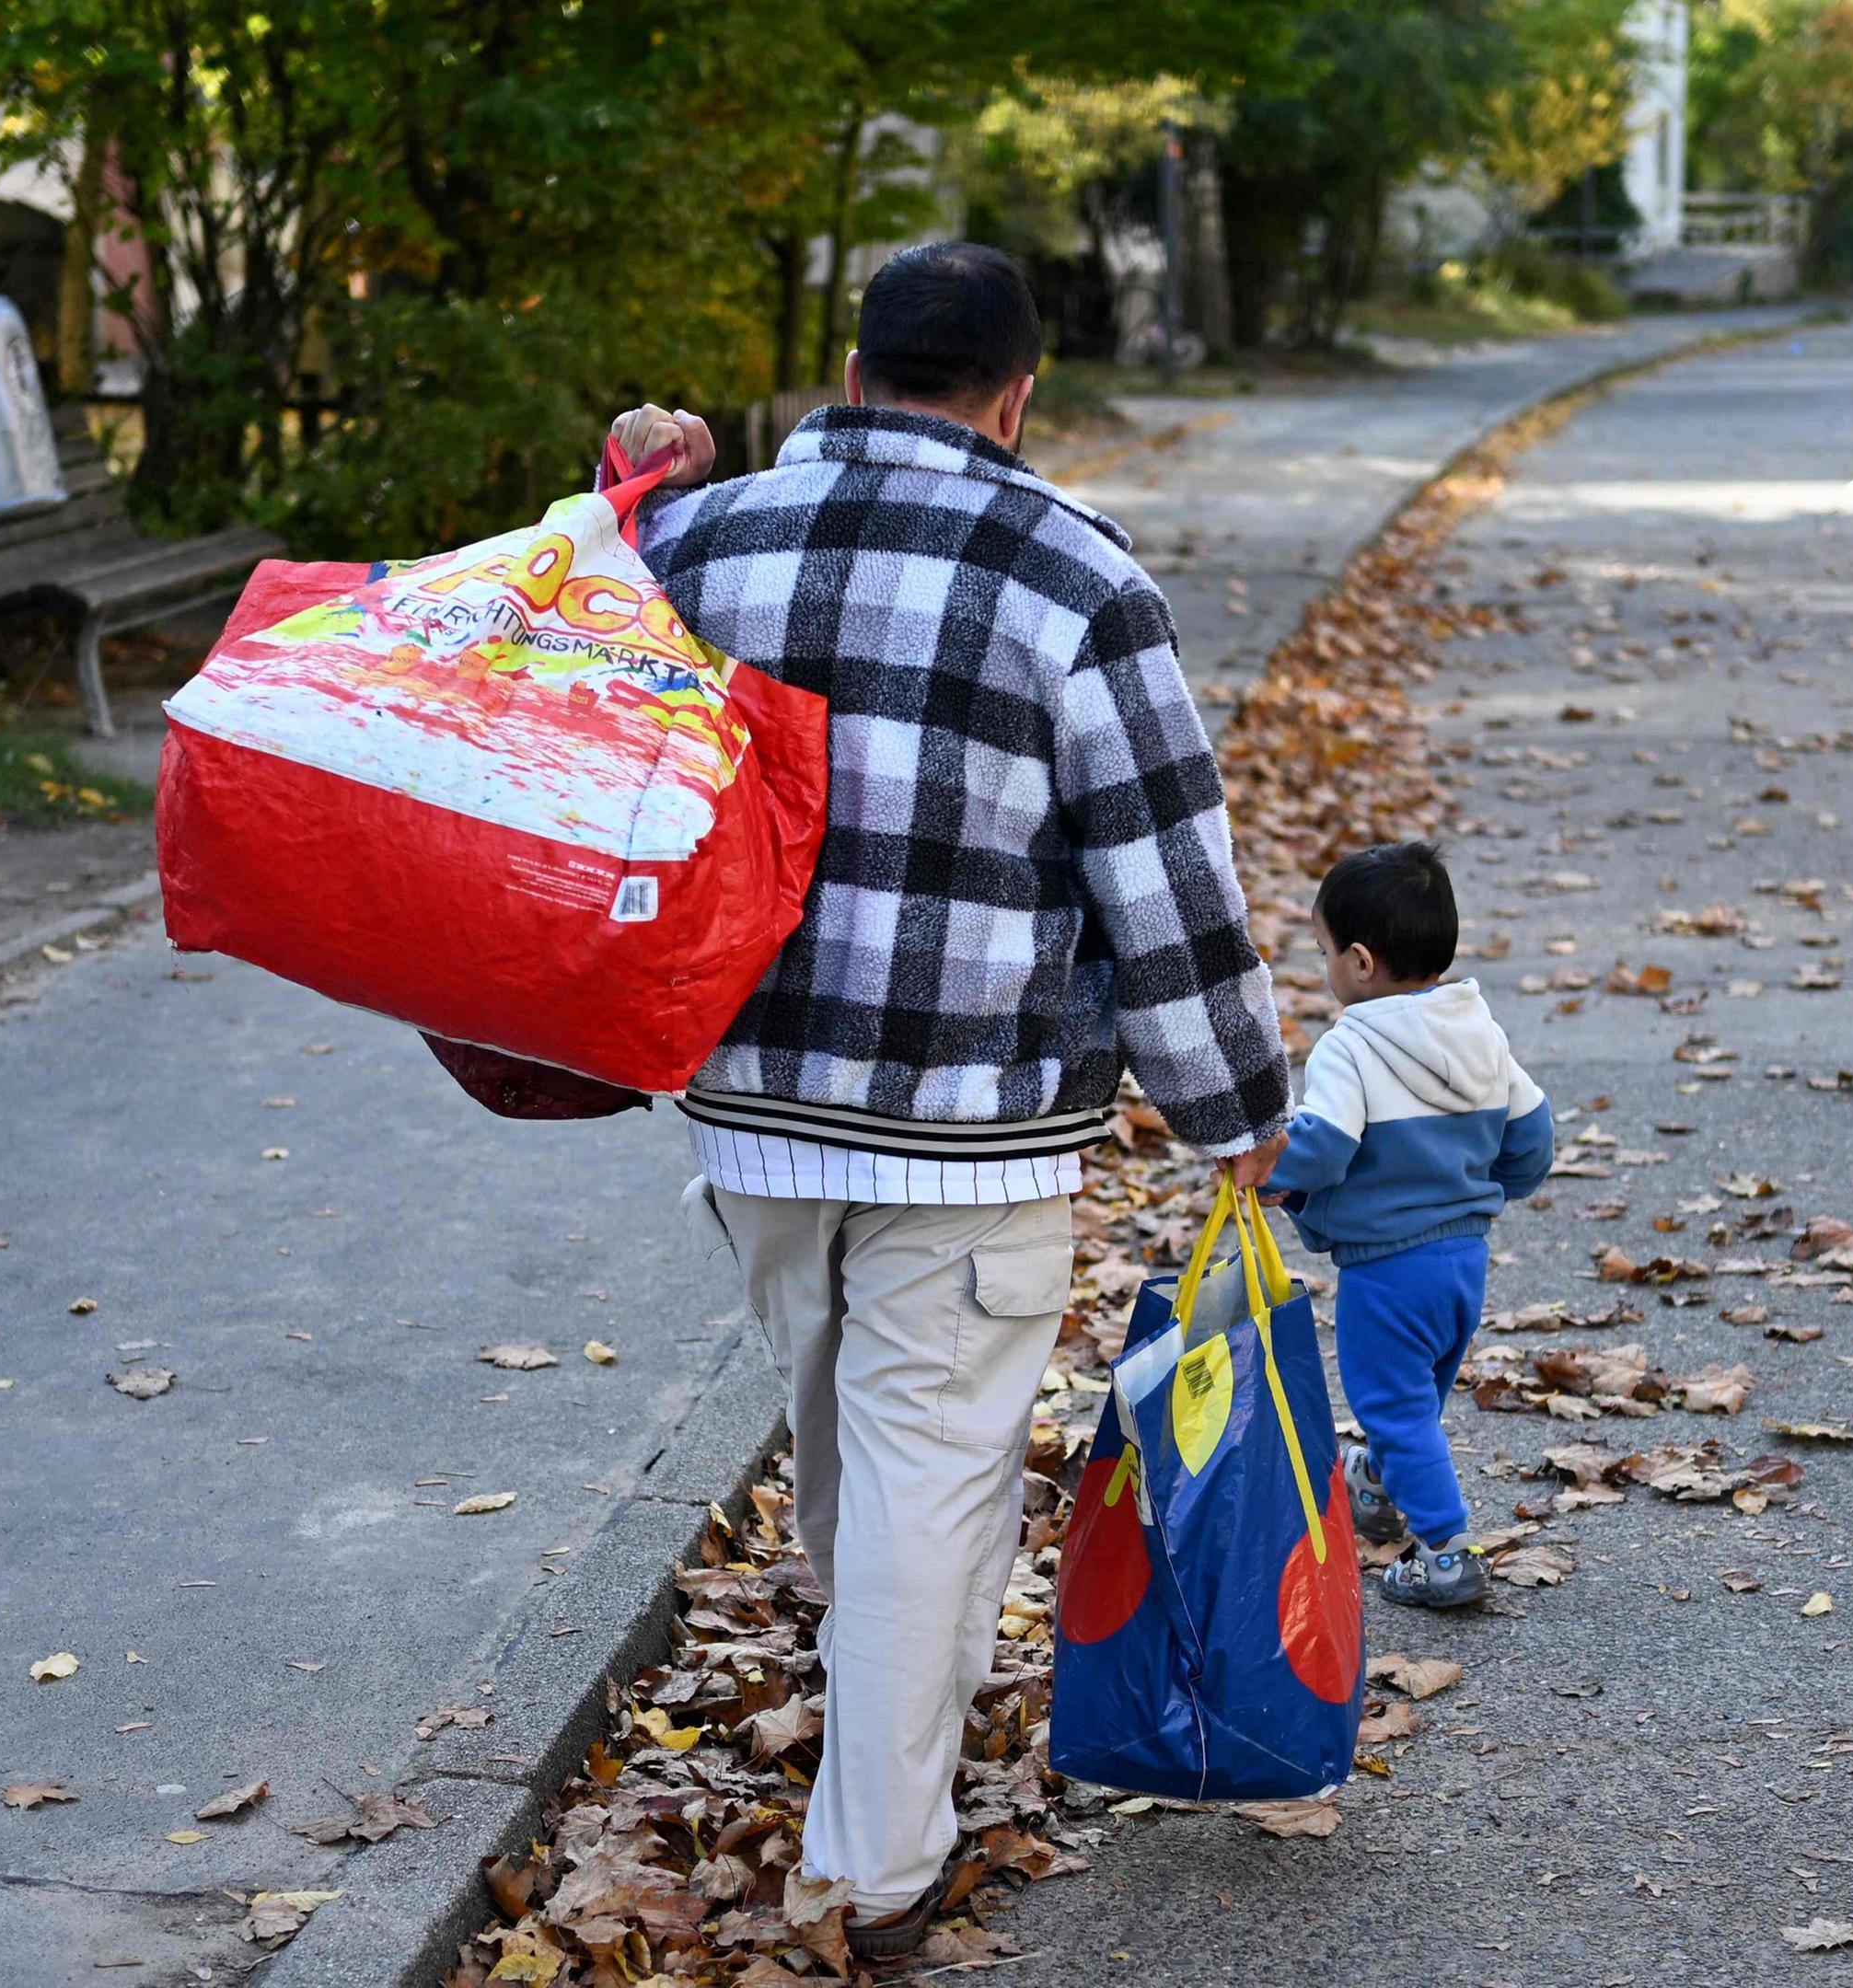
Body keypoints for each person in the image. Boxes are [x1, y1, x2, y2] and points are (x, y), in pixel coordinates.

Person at [609, 241, 1290, 1959]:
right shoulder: (1076, 580)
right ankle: (877, 1867)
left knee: (856, 1453)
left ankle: (876, 1733)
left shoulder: (703, 540)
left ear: (850, 377)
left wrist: (624, 487)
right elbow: (1167, 881)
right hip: (971, 1136)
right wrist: (1233, 1107)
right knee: (924, 1477)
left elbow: (568, 703)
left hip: (749, 1104)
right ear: (1018, 396)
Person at [1260, 841, 1551, 1610]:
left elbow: (1321, 1147)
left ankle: (1449, 1553)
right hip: (1463, 1262)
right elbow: (1533, 1130)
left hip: (1387, 1273)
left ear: (1360, 962)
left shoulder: (1350, 1045)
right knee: (1413, 1404)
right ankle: (1383, 1482)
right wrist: (1500, 1185)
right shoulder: (1478, 1030)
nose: (1324, 968)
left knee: (1391, 1404)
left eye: (1323, 953)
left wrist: (1269, 1172)